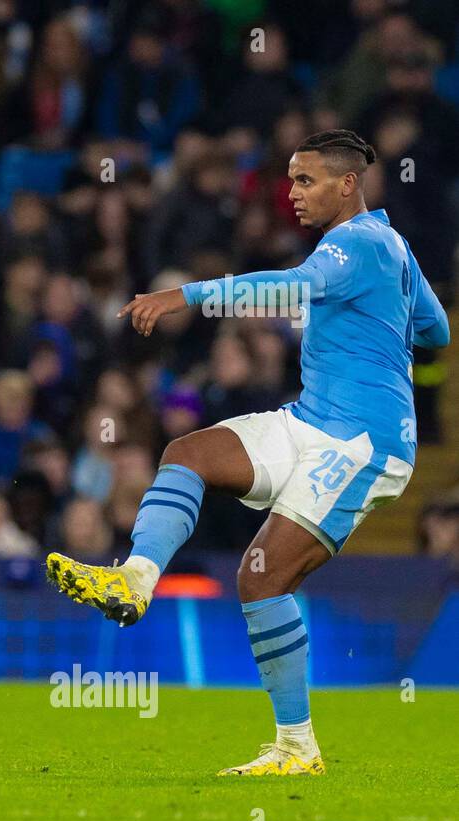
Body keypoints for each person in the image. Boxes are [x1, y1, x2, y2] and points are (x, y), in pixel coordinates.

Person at [45, 130, 450, 776]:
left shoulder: (359, 244)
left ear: (348, 184)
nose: (291, 193)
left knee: (262, 577)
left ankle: (297, 748)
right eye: (290, 179)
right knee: (189, 452)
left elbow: (289, 290)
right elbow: (438, 328)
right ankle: (135, 578)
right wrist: (387, 326)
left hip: (361, 443)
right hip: (311, 420)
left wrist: (188, 295)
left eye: (306, 180)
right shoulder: (394, 250)